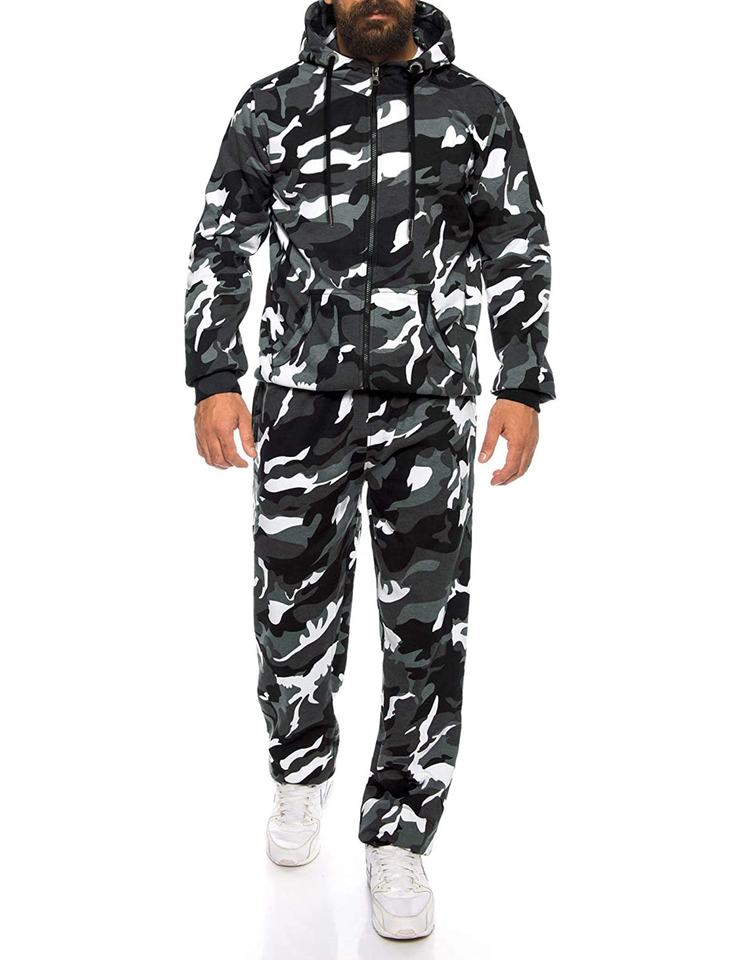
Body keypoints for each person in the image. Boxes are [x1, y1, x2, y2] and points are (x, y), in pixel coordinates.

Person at [184, 0, 554, 940]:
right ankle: (299, 772)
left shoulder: (476, 110)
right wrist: (214, 375)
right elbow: (223, 242)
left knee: (426, 627)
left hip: (428, 408)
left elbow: (517, 245)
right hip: (299, 403)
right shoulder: (272, 106)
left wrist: (522, 383)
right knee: (291, 607)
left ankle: (399, 832)